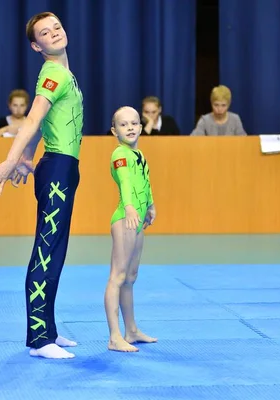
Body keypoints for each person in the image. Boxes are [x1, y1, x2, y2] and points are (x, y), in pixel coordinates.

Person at [0, 11, 83, 359]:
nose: (54, 33)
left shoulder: (61, 73)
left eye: (57, 26)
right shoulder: (53, 75)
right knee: (47, 250)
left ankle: (49, 330)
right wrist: (12, 159)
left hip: (62, 167)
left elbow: (44, 126)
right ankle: (38, 339)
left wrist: (28, 158)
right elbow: (33, 118)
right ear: (36, 45)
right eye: (45, 32)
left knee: (56, 251)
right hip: (57, 168)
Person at [104, 106, 158, 352]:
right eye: (124, 125)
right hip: (125, 218)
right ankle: (115, 336)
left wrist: (151, 205)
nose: (130, 128)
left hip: (137, 218)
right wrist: (129, 207)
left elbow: (144, 181)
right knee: (118, 275)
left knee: (131, 277)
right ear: (114, 130)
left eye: (134, 123)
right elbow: (126, 180)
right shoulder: (119, 154)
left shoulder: (140, 154)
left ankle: (132, 330)